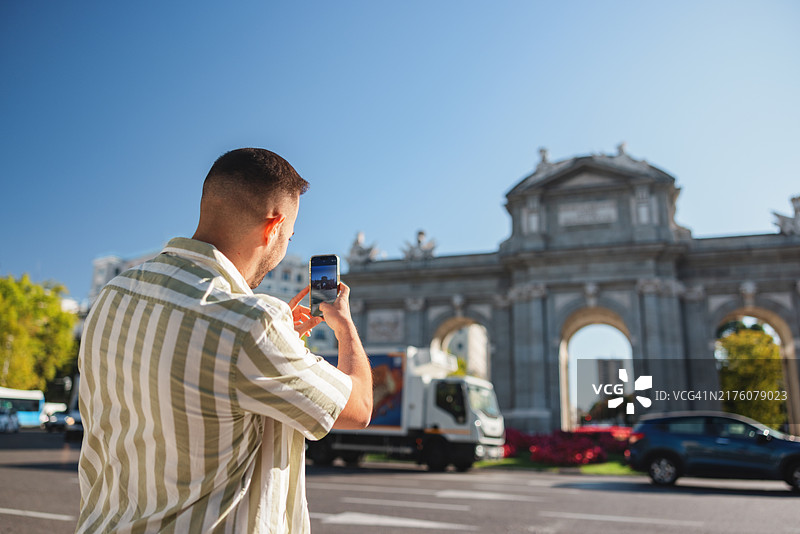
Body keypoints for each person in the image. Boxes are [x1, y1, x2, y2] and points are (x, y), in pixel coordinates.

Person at [76, 148, 373, 533]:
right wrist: (343, 325)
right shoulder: (251, 326)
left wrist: (283, 343)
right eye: (289, 235)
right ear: (273, 227)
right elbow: (360, 406)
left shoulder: (113, 296)